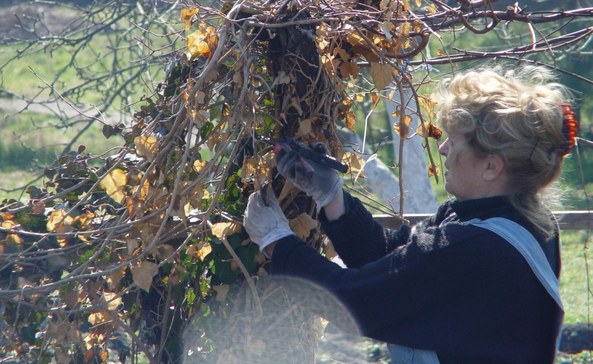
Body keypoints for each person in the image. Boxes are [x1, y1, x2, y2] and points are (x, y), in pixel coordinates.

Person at [243, 65, 578, 363]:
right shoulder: (522, 223)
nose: (443, 149)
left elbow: (356, 301)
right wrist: (332, 197)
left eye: (454, 141)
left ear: (491, 165)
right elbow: (389, 260)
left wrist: (277, 242)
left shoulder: (470, 245)